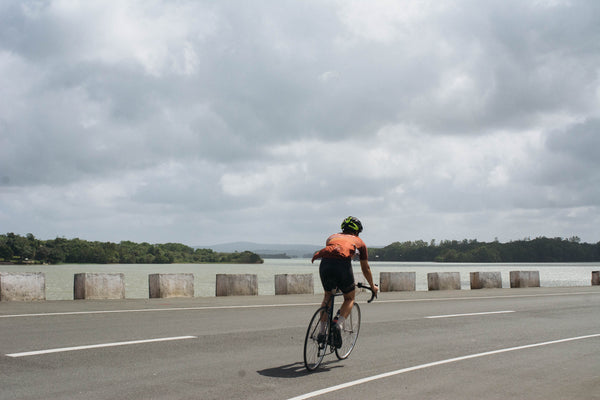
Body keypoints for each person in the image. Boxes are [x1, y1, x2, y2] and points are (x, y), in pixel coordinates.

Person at [311, 216, 378, 348]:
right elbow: (365, 268)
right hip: (342, 266)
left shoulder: (331, 237)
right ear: (357, 231)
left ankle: (321, 333)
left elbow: (334, 253)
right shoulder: (360, 242)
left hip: (324, 265)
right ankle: (338, 324)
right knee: (349, 298)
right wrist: (372, 286)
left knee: (328, 296)